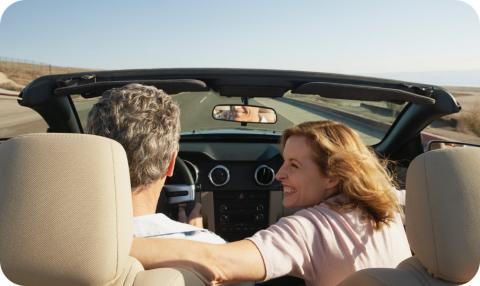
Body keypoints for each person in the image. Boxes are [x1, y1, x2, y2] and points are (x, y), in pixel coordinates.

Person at [130, 120, 411, 286]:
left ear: (333, 177)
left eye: (294, 165)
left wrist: (110, 245)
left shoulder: (309, 229)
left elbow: (217, 263)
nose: (279, 174)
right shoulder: (391, 204)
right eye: (282, 162)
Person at [86, 83, 224, 244]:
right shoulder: (209, 250)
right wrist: (194, 237)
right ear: (171, 163)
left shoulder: (60, 243)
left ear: (92, 158)